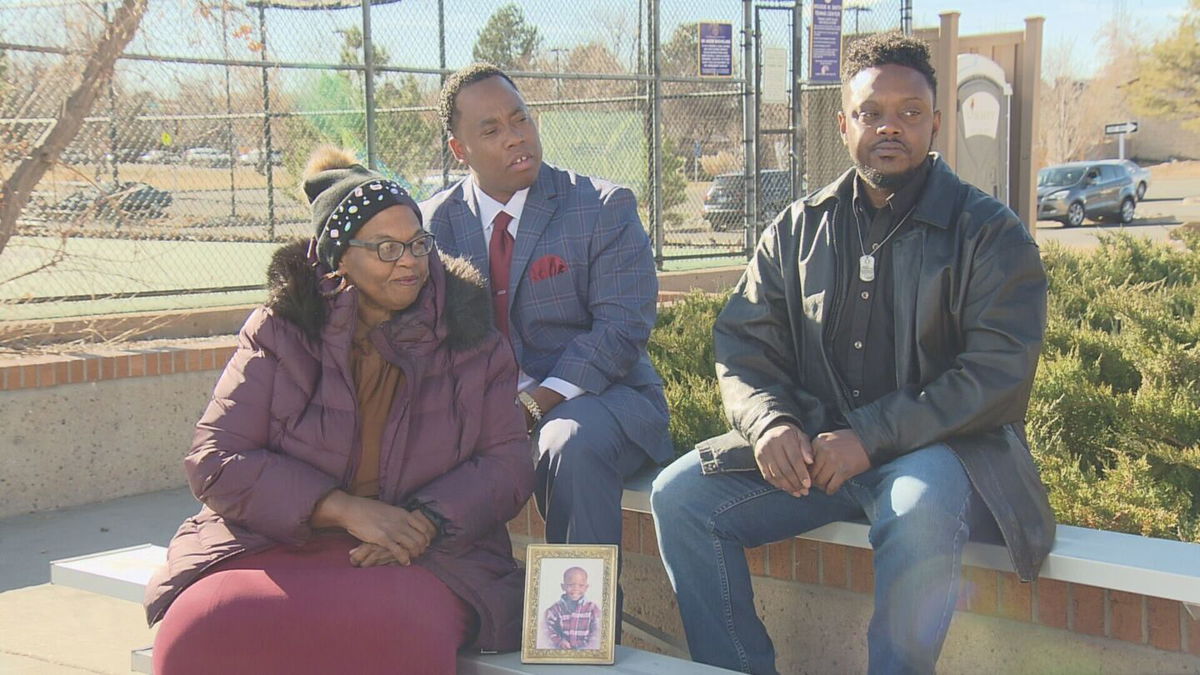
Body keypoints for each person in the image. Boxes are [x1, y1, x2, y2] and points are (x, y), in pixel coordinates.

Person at [650, 32, 1055, 675]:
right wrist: (769, 422)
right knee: (680, 498)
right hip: (820, 455)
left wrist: (868, 436)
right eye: (871, 113)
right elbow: (743, 342)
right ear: (844, 124)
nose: (889, 127)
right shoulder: (797, 227)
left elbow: (997, 375)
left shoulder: (989, 233)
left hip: (943, 456)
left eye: (909, 113)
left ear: (935, 123)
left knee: (918, 512)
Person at [143, 146, 535, 674]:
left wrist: (423, 522)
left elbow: (507, 463)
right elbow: (215, 459)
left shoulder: (472, 340)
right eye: (387, 248)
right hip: (273, 537)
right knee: (204, 625)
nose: (411, 262)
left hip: (425, 552)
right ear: (338, 258)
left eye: (418, 243)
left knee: (395, 631)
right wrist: (345, 510)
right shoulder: (280, 330)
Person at [422, 65, 672, 568]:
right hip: (486, 408)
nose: (516, 138)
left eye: (521, 120)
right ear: (459, 150)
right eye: (491, 130)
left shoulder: (602, 207)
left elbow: (621, 332)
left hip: (604, 401)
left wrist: (532, 405)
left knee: (568, 442)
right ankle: (459, 615)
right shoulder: (432, 226)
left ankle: (579, 634)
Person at [542, 566, 602, 650]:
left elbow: (598, 632)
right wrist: (559, 641)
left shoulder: (592, 609)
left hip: (586, 653)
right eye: (570, 585)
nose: (575, 589)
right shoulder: (554, 609)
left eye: (581, 585)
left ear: (586, 587)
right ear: (563, 586)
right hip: (562, 652)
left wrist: (589, 647)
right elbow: (546, 630)